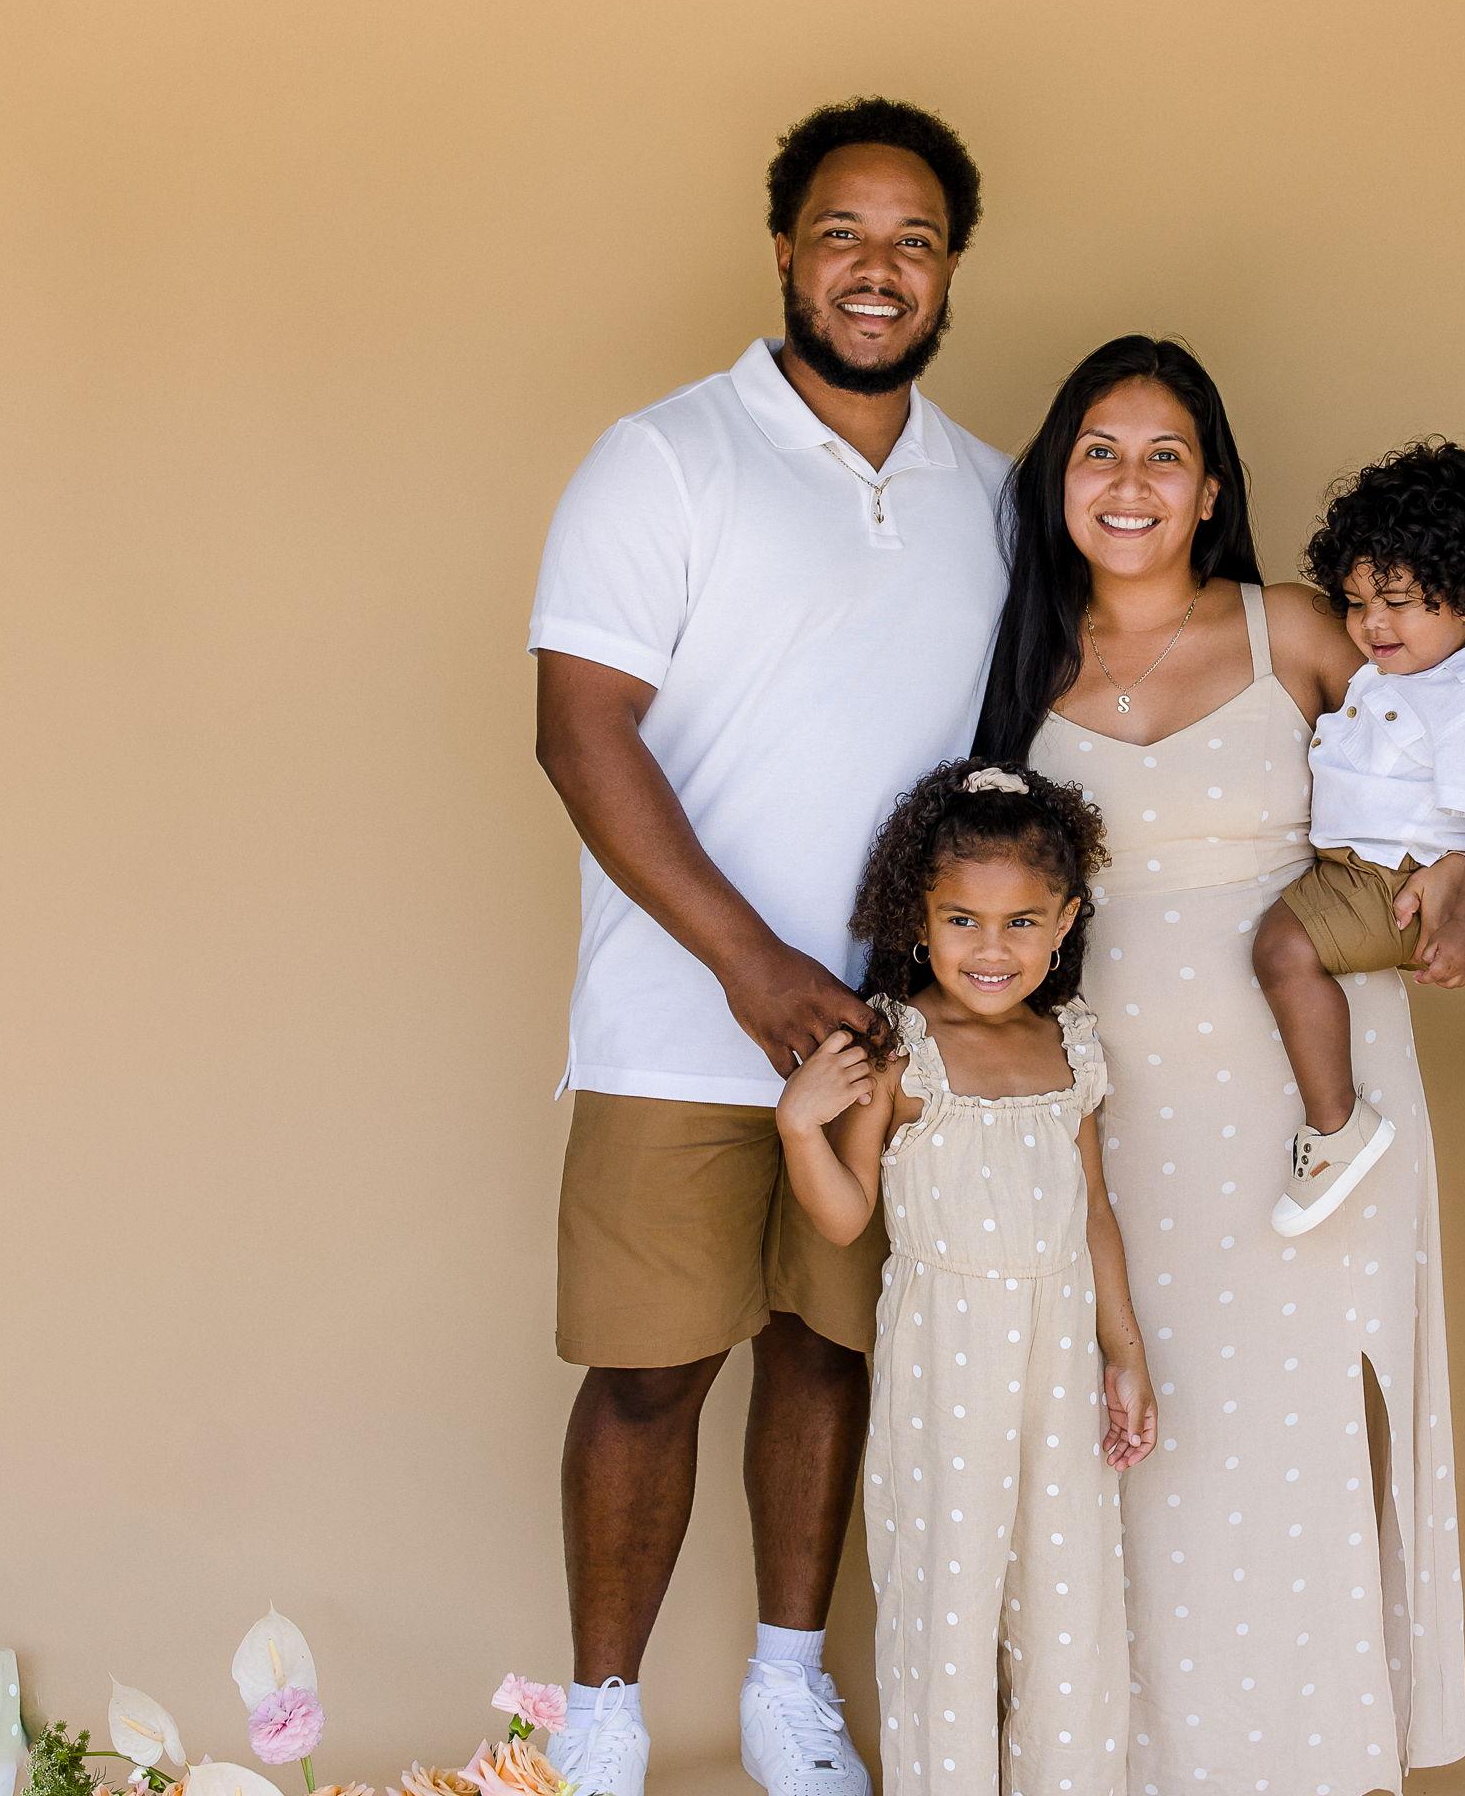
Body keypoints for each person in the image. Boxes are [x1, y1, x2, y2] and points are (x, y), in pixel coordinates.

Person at [528, 97, 1008, 1796]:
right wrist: (750, 970)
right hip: (677, 1023)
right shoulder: (663, 458)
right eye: (842, 233)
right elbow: (580, 730)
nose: (876, 269)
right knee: (648, 1372)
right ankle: (600, 1722)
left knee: (828, 1349)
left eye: (913, 241)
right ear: (786, 251)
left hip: (888, 1038)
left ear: (949, 272)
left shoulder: (991, 493)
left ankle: (786, 1695)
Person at [978, 336, 1465, 1794]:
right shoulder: (1022, 660)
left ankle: (1311, 1762)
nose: (1129, 482)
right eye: (1099, 452)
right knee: (1145, 1432)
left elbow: (1451, 757)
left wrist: (1453, 888)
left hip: (1314, 1107)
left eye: (1165, 455)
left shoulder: (1295, 629)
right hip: (1121, 1118)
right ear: (1059, 481)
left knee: (1297, 1432)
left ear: (1210, 489)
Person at [774, 758, 1155, 1795]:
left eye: (1021, 922)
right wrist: (799, 1126)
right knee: (946, 1589)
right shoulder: (899, 1049)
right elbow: (845, 1216)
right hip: (947, 1354)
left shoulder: (1070, 1045)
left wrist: (1123, 1353)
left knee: (1067, 1587)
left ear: (1065, 920)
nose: (991, 950)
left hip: (1058, 1348)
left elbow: (1094, 1212)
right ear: (919, 918)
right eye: (962, 921)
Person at [1257, 441, 1465, 1235]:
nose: (1370, 623)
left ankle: (1336, 1125)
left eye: (1395, 601)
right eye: (1355, 602)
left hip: (1391, 881)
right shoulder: (1412, 673)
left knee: (1281, 953)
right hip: (1357, 866)